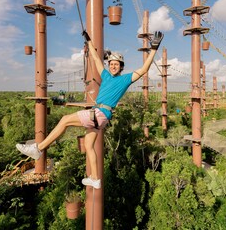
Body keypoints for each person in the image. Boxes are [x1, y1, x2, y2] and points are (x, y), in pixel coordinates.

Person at [16, 31, 164, 189]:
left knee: (64, 120)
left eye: (117, 64)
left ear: (121, 67)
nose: (113, 66)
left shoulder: (124, 79)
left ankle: (38, 148)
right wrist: (89, 41)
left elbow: (143, 70)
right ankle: (95, 178)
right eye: (111, 64)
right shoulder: (105, 75)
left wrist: (154, 47)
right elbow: (94, 58)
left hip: (99, 113)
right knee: (88, 145)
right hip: (100, 116)